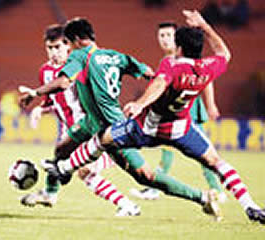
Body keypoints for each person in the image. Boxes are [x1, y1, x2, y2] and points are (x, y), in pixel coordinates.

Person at [44, 10, 265, 224]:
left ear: (178, 48)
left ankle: (63, 169)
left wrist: (140, 104)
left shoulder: (171, 65)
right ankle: (250, 206)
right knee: (217, 162)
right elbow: (224, 53)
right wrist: (206, 26)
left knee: (102, 139)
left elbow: (159, 84)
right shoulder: (207, 68)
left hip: (148, 128)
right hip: (181, 129)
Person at [20, 17, 223, 220]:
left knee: (145, 176)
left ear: (76, 40)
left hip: (112, 127)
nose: (68, 49)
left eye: (68, 44)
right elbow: (147, 72)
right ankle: (50, 193)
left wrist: (34, 93)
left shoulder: (80, 55)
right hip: (91, 122)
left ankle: (202, 197)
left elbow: (64, 82)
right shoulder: (115, 56)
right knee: (61, 149)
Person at [20, 24, 140, 216]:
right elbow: (53, 100)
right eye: (49, 48)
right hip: (71, 130)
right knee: (58, 157)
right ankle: (50, 195)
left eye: (58, 47)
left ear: (68, 46)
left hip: (94, 127)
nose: (53, 52)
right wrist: (40, 110)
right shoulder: (45, 72)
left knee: (85, 171)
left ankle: (128, 205)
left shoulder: (81, 66)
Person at [130, 22, 226, 202]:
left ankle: (216, 189)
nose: (165, 40)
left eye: (168, 36)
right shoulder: (167, 61)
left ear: (178, 41)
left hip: (188, 110)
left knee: (203, 153)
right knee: (170, 147)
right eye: (161, 36)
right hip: (172, 113)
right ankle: (156, 186)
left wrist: (210, 104)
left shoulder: (186, 59)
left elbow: (207, 77)